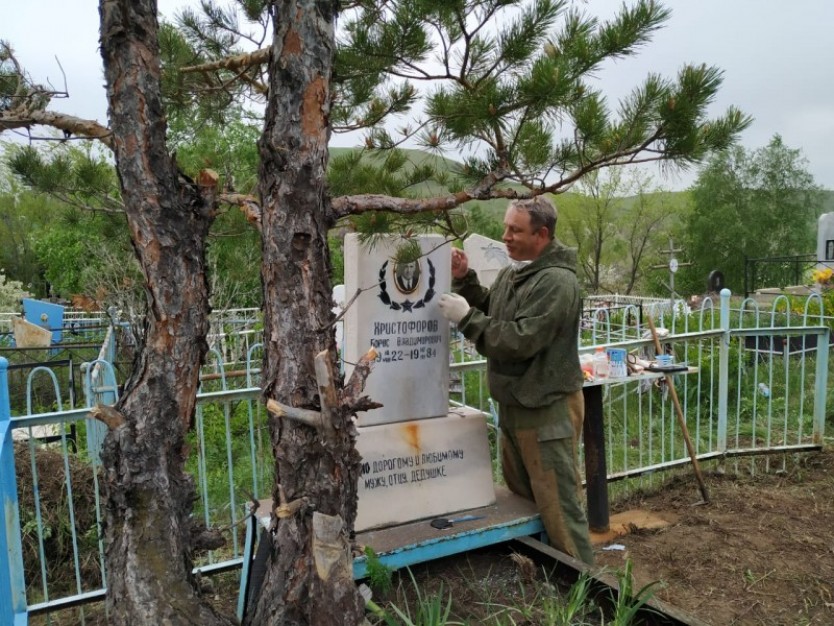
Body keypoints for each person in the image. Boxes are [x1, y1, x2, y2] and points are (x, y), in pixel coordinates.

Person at [438, 196, 594, 565]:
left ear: (542, 235)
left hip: (545, 409)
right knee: (524, 502)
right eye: (506, 227)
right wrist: (466, 280)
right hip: (516, 405)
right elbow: (496, 310)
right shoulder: (518, 271)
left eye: (515, 230)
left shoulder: (556, 282)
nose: (505, 236)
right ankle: (543, 572)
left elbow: (520, 340)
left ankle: (584, 583)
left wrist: (466, 319)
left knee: (558, 506)